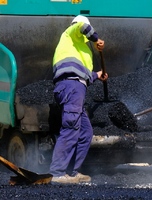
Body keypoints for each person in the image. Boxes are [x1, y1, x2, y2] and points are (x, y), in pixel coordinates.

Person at [50, 15, 108, 184]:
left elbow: (83, 75)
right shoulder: (71, 32)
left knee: (85, 132)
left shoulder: (80, 48)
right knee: (70, 127)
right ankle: (57, 173)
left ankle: (72, 172)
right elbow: (82, 26)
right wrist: (97, 39)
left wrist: (98, 75)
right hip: (71, 86)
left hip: (75, 87)